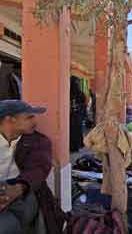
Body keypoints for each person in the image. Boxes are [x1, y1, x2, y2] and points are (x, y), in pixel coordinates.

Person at [0, 100, 65, 234]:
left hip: (25, 192)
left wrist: (18, 188)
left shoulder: (38, 141)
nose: (35, 122)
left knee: (7, 225)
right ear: (9, 120)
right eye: (29, 117)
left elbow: (39, 169)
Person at [70, 76, 87, 152]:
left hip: (74, 115)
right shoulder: (79, 93)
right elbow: (84, 103)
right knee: (76, 130)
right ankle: (76, 146)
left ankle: (75, 146)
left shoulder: (71, 92)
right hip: (76, 115)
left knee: (74, 131)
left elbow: (84, 103)